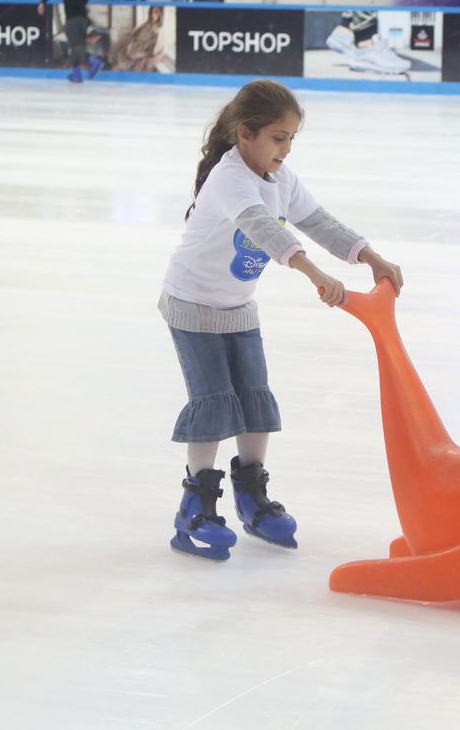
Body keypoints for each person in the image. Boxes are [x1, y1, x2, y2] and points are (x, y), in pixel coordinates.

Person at [161, 80, 403, 561]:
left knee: (254, 399)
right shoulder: (230, 178)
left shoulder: (281, 177)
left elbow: (317, 220)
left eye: (292, 138)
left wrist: (370, 256)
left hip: (236, 306)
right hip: (192, 304)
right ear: (245, 133)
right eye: (278, 137)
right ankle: (196, 507)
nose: (286, 148)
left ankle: (251, 497)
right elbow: (262, 229)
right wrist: (312, 272)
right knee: (214, 402)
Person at [38, 0, 96, 82]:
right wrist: (80, 4)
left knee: (75, 45)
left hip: (72, 17)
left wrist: (43, 2)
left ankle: (93, 61)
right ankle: (76, 74)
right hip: (82, 17)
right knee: (76, 44)